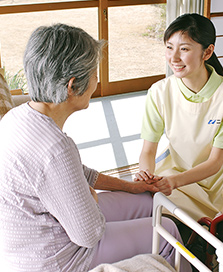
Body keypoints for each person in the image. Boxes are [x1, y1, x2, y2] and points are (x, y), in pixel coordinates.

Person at [0, 24, 192, 272]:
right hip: (53, 258)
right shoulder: (54, 147)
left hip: (42, 232)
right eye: (93, 73)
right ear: (72, 86)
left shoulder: (15, 118)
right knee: (168, 231)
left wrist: (132, 187)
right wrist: (90, 198)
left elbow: (77, 172)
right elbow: (89, 234)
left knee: (148, 201)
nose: (97, 80)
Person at [135, 13, 223, 221]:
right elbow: (148, 150)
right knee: (152, 213)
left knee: (222, 233)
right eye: (169, 47)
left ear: (207, 52)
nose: (174, 58)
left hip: (221, 183)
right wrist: (145, 177)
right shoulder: (159, 92)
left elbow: (215, 162)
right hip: (175, 172)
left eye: (185, 49)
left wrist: (174, 182)